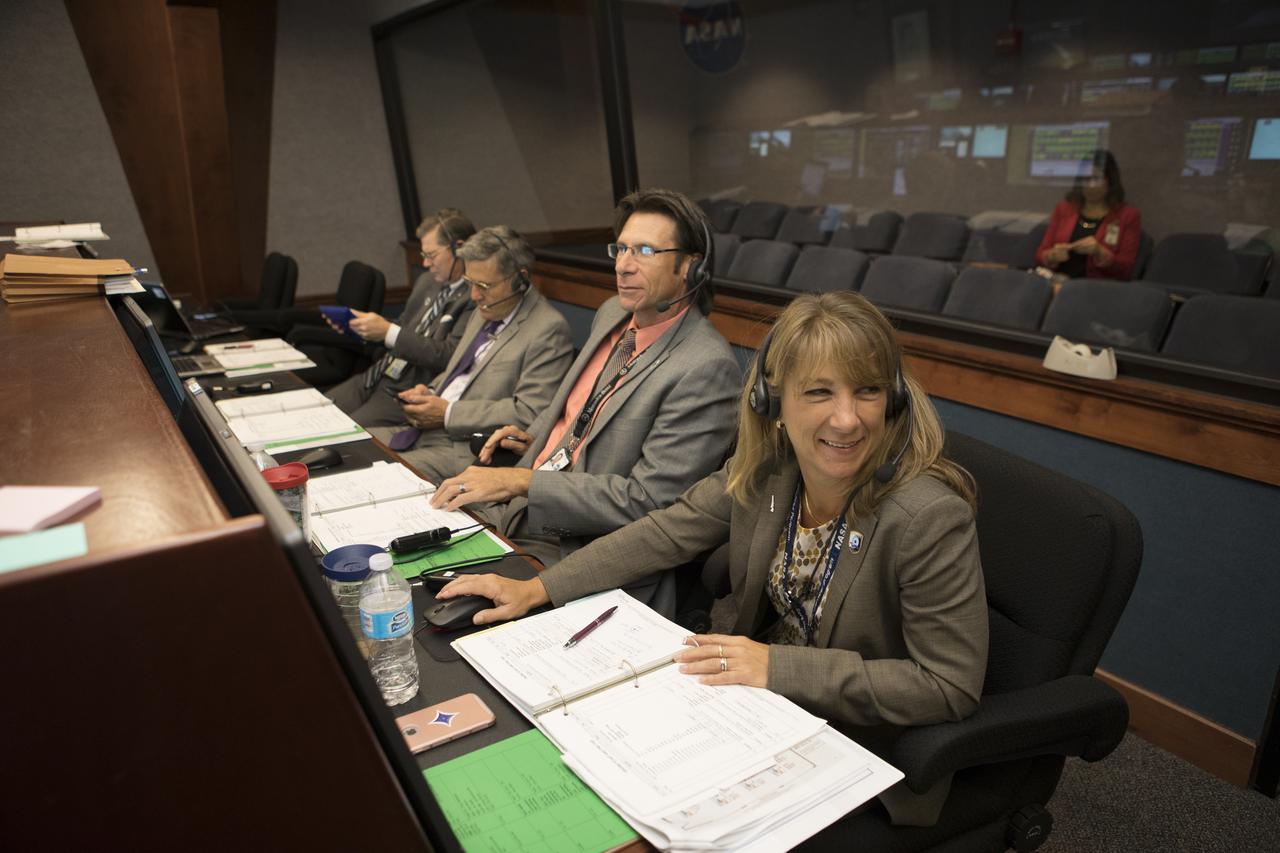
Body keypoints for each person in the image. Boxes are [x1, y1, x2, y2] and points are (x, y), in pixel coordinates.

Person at [437, 291, 988, 826]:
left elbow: (948, 685)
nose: (846, 419)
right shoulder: (771, 471)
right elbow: (663, 532)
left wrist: (776, 667)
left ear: (892, 400)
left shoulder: (927, 517)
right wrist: (537, 589)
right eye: (819, 393)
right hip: (749, 712)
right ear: (772, 404)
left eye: (867, 391)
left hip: (855, 748)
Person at [429, 188, 742, 578]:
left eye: (644, 251)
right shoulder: (613, 312)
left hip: (576, 549)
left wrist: (522, 482)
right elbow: (584, 419)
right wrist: (535, 439)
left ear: (689, 268)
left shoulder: (706, 366)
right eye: (621, 249)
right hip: (517, 511)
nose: (624, 266)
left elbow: (650, 502)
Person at [371, 226, 574, 483]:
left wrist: (447, 413)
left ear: (520, 279)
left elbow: (528, 412)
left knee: (379, 476)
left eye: (484, 285)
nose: (474, 295)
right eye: (470, 283)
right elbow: (461, 371)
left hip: (464, 449)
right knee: (355, 443)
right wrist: (429, 392)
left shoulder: (548, 329)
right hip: (420, 431)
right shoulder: (485, 309)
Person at [325, 209, 476, 427]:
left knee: (346, 431)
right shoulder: (427, 282)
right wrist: (364, 328)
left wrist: (387, 331)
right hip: (376, 375)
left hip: (408, 389)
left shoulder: (474, 296)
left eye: (431, 255)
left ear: (460, 247)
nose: (425, 264)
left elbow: (449, 356)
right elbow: (402, 327)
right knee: (317, 412)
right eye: (424, 256)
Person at [1035, 149, 1142, 281]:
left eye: (1096, 179)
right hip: (1060, 284)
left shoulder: (1127, 216)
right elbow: (1040, 254)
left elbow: (1126, 270)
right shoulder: (1064, 209)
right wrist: (1051, 256)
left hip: (1097, 290)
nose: (1090, 185)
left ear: (1110, 181)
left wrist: (1100, 252)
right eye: (1085, 179)